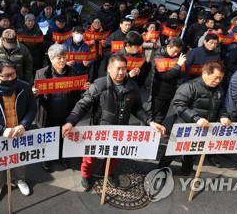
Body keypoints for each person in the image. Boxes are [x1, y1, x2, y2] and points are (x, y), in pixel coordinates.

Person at [61, 53, 166, 192]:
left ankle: (108, 174)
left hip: (119, 133)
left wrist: (149, 121)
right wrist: (70, 122)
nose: (121, 72)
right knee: (90, 158)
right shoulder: (99, 85)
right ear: (109, 68)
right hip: (99, 131)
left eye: (124, 68)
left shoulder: (132, 87)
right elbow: (82, 105)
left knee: (113, 157)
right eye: (118, 68)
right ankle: (86, 176)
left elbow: (137, 109)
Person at [0, 59, 37, 204]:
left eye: (13, 74)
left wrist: (24, 125)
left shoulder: (24, 87)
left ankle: (20, 180)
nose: (11, 78)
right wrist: (1, 130)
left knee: (19, 159)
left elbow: (32, 109)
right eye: (6, 75)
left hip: (19, 133)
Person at [158, 62, 231, 174]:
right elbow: (179, 105)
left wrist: (224, 116)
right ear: (205, 73)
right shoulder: (189, 86)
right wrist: (196, 119)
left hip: (204, 129)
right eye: (216, 77)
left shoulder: (219, 89)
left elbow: (221, 107)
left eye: (221, 78)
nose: (218, 81)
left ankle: (186, 170)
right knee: (173, 152)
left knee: (192, 152)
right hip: (185, 127)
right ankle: (160, 170)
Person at [33, 44, 88, 172]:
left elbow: (78, 94)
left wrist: (83, 89)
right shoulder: (41, 73)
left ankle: (62, 156)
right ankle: (46, 158)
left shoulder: (72, 72)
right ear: (51, 59)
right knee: (48, 137)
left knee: (63, 136)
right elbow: (36, 93)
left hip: (66, 112)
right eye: (59, 58)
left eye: (64, 57)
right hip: (48, 113)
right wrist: (34, 93)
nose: (62, 60)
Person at [147, 37, 186, 124]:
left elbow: (181, 75)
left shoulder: (178, 57)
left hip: (170, 90)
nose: (175, 53)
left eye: (178, 52)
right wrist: (178, 66)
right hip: (158, 90)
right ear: (168, 46)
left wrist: (181, 67)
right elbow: (164, 76)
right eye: (174, 51)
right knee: (151, 113)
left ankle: (158, 128)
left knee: (162, 113)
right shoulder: (159, 56)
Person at [84, 17, 107, 82]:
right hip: (89, 54)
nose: (97, 24)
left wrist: (104, 43)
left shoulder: (103, 32)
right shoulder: (87, 31)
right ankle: (87, 81)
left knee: (97, 70)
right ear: (92, 23)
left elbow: (107, 42)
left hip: (99, 54)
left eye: (98, 22)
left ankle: (95, 82)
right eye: (95, 22)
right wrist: (89, 42)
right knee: (88, 70)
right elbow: (82, 42)